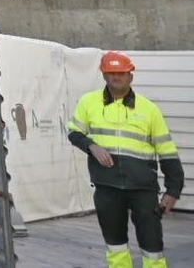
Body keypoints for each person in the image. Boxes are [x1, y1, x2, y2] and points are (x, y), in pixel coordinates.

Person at [67, 51, 182, 268]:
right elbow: (74, 132)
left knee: (152, 246)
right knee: (115, 244)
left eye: (121, 73)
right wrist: (92, 146)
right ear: (103, 75)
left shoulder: (149, 109)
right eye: (111, 73)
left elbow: (167, 151)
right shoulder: (88, 102)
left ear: (130, 76)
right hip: (107, 187)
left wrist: (173, 190)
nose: (116, 77)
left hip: (142, 188)